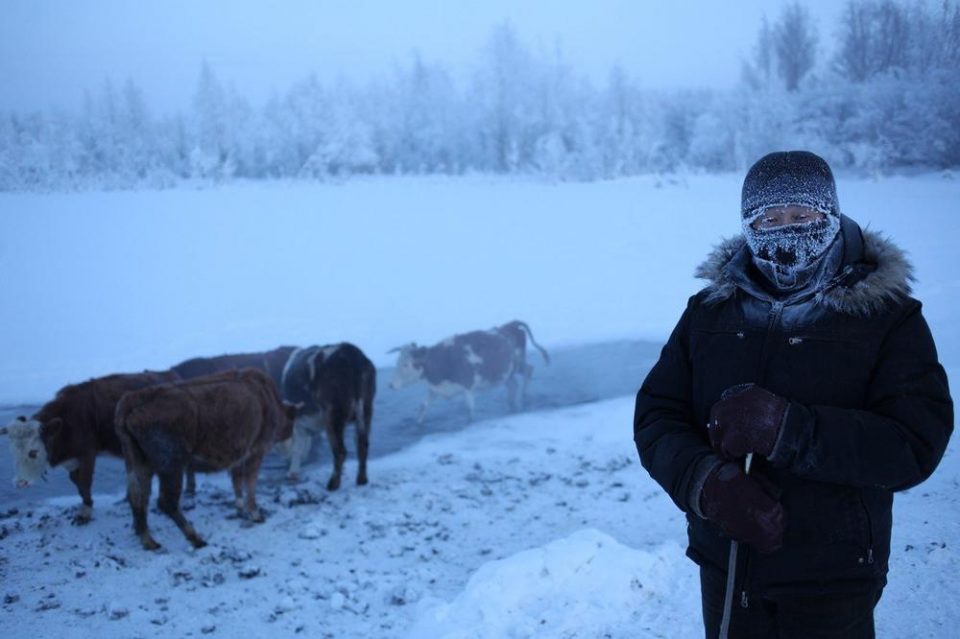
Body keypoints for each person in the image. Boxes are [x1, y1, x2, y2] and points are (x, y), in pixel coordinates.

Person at [633, 150, 953, 638]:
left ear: (831, 215)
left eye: (802, 216)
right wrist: (704, 483)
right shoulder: (709, 313)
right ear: (748, 225)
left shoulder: (888, 318)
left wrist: (789, 430)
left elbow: (914, 443)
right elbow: (658, 415)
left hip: (834, 577)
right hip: (728, 567)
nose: (786, 232)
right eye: (769, 218)